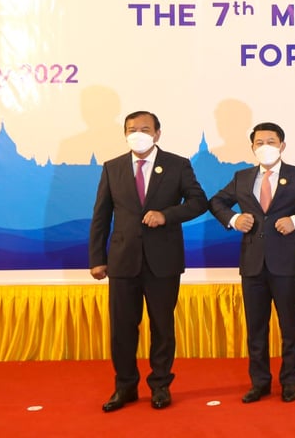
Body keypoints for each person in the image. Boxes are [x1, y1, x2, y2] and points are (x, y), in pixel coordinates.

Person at [88, 111, 208, 412]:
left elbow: (198, 202)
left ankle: (160, 386)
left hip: (163, 261)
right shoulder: (112, 167)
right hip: (122, 260)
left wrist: (167, 215)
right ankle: (125, 387)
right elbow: (101, 215)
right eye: (132, 129)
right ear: (125, 134)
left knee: (162, 327)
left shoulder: (177, 165)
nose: (138, 134)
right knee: (122, 329)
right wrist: (97, 258)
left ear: (157, 133)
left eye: (144, 129)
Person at [209, 122, 295, 403]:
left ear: (282, 146)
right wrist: (233, 219)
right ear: (252, 147)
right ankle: (260, 382)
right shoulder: (241, 177)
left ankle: (289, 382)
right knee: (256, 328)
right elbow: (216, 202)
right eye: (259, 142)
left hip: (286, 263)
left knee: (290, 327)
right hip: (252, 263)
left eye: (271, 142)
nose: (265, 147)